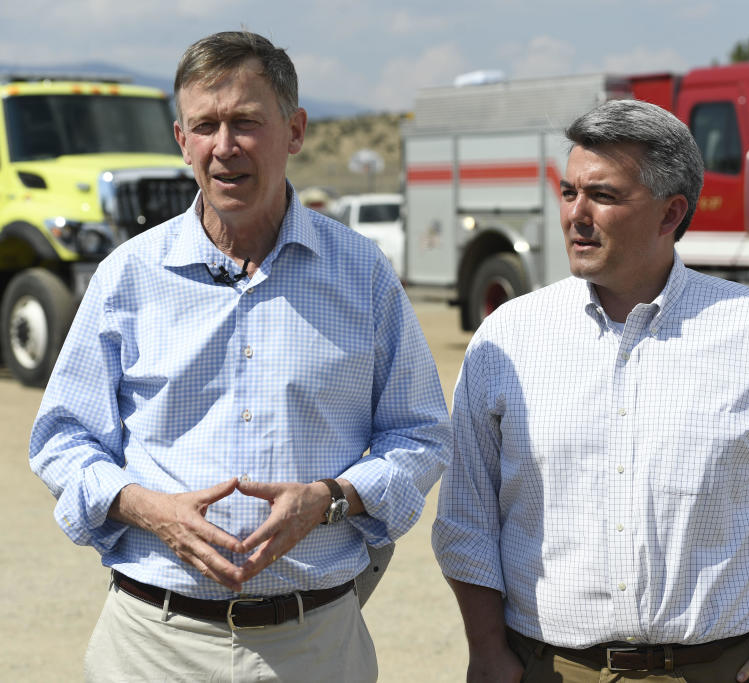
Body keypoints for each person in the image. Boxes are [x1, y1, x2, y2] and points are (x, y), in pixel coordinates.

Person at [30, 31, 451, 682]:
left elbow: (421, 435)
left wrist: (331, 498)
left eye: (246, 122)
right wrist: (148, 509)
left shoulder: (361, 274)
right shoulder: (128, 277)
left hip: (315, 648)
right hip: (150, 646)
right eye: (205, 125)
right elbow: (63, 441)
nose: (224, 146)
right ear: (181, 139)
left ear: (295, 130)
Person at [431, 99, 749, 683]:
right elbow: (466, 516)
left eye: (603, 195)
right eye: (570, 191)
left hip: (715, 668)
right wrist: (487, 651)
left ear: (671, 213)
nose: (576, 214)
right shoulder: (508, 339)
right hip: (546, 668)